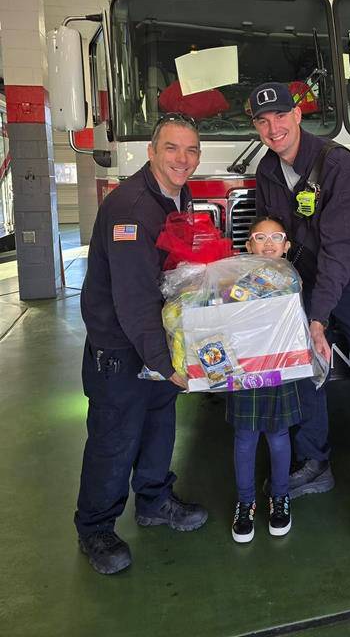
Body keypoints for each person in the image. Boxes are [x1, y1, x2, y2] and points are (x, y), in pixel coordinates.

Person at [250, 81, 350, 558]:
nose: (273, 128)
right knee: (306, 378)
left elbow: (340, 249)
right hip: (303, 287)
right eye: (262, 121)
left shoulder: (337, 163)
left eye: (280, 116)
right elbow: (269, 240)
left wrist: (317, 318)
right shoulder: (266, 169)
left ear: (298, 116)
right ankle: (315, 463)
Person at [75, 113, 208, 575]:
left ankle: (153, 500)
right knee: (115, 437)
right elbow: (132, 299)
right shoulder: (131, 208)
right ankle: (95, 528)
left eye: (191, 150)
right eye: (172, 148)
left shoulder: (174, 193)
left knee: (158, 425)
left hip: (157, 337)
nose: (183, 159)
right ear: (152, 152)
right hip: (121, 348)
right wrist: (164, 361)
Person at [226, 216, 304, 544]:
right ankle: (245, 502)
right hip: (247, 368)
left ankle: (280, 497)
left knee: (278, 434)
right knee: (245, 436)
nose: (268, 243)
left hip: (280, 368)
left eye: (276, 238)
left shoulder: (292, 280)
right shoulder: (237, 280)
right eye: (260, 237)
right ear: (248, 246)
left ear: (287, 247)